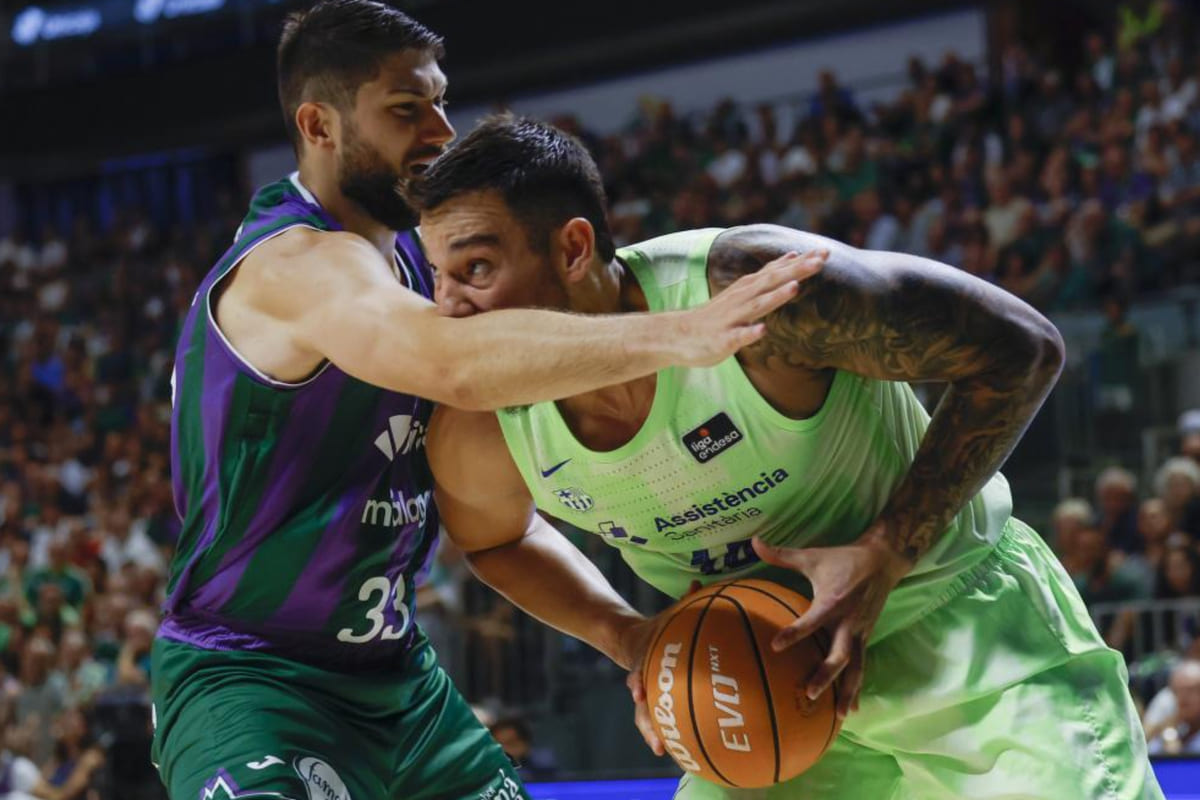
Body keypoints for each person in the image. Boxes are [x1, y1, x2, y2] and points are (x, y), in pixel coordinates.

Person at [149, 3, 817, 799]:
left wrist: (628, 636)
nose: (440, 129)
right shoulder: (294, 264)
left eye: (439, 101)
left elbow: (500, 522)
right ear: (318, 124)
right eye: (406, 109)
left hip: (396, 679)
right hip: (249, 674)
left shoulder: (414, 264)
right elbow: (452, 366)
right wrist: (685, 334)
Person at [413, 116, 1162, 799]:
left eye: (476, 269)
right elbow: (497, 537)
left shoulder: (755, 295)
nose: (450, 307)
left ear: (573, 248)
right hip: (759, 683)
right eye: (436, 277)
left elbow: (1020, 348)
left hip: (956, 622)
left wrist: (888, 549)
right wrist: (627, 635)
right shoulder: (482, 418)